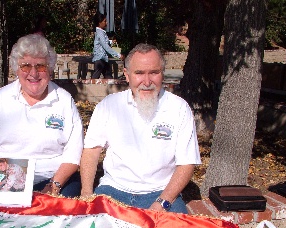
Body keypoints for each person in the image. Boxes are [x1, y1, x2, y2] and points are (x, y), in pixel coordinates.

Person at [80, 43, 201, 213]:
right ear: (127, 75)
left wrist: (163, 202)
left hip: (161, 193)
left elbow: (187, 163)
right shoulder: (109, 105)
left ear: (162, 74)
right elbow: (91, 150)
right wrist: (86, 193)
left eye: (154, 73)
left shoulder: (179, 109)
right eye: (139, 73)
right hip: (112, 191)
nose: (147, 82)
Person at [0, 34, 84, 197]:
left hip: (53, 178)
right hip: (4, 178)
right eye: (25, 66)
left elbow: (74, 155)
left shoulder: (64, 101)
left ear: (50, 68)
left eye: (40, 66)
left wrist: (54, 185)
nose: (33, 73)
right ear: (16, 68)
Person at [92, 13, 124, 79]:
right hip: (100, 59)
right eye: (104, 21)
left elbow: (102, 42)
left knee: (108, 77)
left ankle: (111, 88)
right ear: (99, 22)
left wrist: (111, 41)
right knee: (95, 79)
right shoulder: (100, 33)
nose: (106, 23)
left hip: (103, 58)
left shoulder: (101, 32)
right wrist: (118, 55)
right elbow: (106, 46)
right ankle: (89, 88)